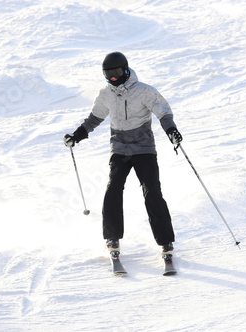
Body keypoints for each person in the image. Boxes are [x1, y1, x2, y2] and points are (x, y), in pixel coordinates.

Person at [63, 51, 183, 257]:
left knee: (152, 191)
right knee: (113, 189)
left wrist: (172, 131)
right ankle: (112, 237)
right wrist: (76, 136)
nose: (114, 78)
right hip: (119, 149)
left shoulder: (144, 91)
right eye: (108, 74)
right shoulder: (106, 93)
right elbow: (94, 119)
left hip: (143, 149)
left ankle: (166, 242)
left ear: (126, 69)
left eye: (117, 73)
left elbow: (163, 112)